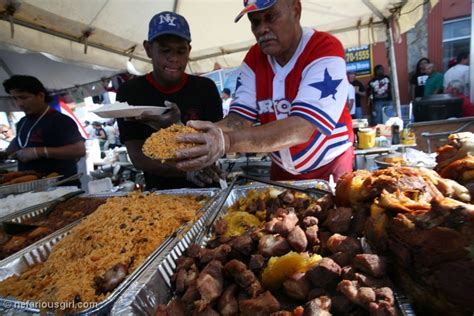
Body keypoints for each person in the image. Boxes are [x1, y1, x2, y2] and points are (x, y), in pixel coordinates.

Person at [174, 0, 354, 182]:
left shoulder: (324, 48)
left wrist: (226, 142)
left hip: (331, 166)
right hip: (282, 169)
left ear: (296, 10)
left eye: (270, 17)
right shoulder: (254, 58)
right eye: (255, 21)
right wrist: (194, 137)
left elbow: (301, 127)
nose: (261, 29)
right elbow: (239, 120)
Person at [116, 11, 223, 190]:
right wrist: (186, 170)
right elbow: (136, 155)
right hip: (159, 193)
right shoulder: (130, 93)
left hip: (207, 188)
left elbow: (216, 143)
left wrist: (178, 126)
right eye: (165, 50)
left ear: (189, 50)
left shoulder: (205, 88)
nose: (173, 58)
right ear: (149, 49)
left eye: (180, 51)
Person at [0, 75, 85, 179]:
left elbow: (79, 150)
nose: (19, 103)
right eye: (15, 98)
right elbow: (20, 142)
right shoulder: (22, 122)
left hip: (60, 186)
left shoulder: (60, 120)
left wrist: (39, 152)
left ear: (40, 95)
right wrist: (5, 154)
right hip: (28, 185)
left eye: (23, 97)